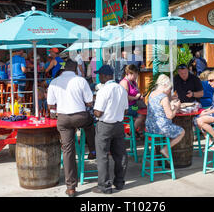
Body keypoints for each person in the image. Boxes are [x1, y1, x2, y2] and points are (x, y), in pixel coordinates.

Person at [47, 59, 96, 197]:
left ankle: (71, 188)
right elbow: (89, 102)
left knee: (68, 150)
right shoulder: (80, 80)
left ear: (64, 68)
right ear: (75, 69)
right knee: (90, 123)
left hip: (63, 119)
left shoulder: (55, 82)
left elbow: (50, 105)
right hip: (80, 117)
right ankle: (92, 149)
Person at [92, 65, 129, 194]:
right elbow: (125, 110)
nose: (99, 77)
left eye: (101, 75)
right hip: (119, 125)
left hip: (105, 125)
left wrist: (93, 108)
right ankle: (119, 182)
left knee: (102, 156)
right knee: (120, 155)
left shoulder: (104, 90)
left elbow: (98, 113)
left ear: (106, 76)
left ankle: (105, 186)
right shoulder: (122, 89)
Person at [145, 74, 185, 158]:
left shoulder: (152, 94)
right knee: (182, 132)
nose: (170, 90)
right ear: (165, 86)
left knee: (171, 129)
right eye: (170, 88)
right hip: (160, 128)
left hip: (149, 127)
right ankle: (166, 149)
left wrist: (171, 100)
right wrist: (176, 107)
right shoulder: (164, 97)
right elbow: (170, 116)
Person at [120, 64, 145, 138]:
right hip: (128, 107)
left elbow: (136, 92)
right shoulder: (124, 82)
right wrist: (135, 98)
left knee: (146, 111)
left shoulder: (134, 82)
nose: (137, 76)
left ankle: (140, 132)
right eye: (135, 74)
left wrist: (140, 96)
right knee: (142, 114)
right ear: (129, 74)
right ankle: (131, 132)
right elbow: (125, 97)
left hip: (134, 106)